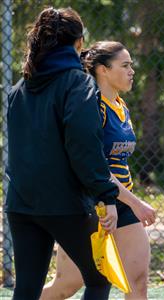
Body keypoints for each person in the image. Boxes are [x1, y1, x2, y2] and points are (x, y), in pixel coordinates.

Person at [6, 7, 119, 300]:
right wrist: (106, 194)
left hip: (21, 202)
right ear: (79, 42)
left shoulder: (19, 89)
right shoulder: (78, 84)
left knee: (27, 288)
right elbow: (84, 146)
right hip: (65, 203)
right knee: (98, 279)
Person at [40, 41, 156, 300]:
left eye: (131, 65)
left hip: (123, 204)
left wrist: (129, 201)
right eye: (125, 65)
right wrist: (137, 203)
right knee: (66, 286)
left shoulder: (121, 106)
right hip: (90, 204)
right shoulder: (91, 107)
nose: (131, 71)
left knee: (137, 281)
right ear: (103, 69)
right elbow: (95, 167)